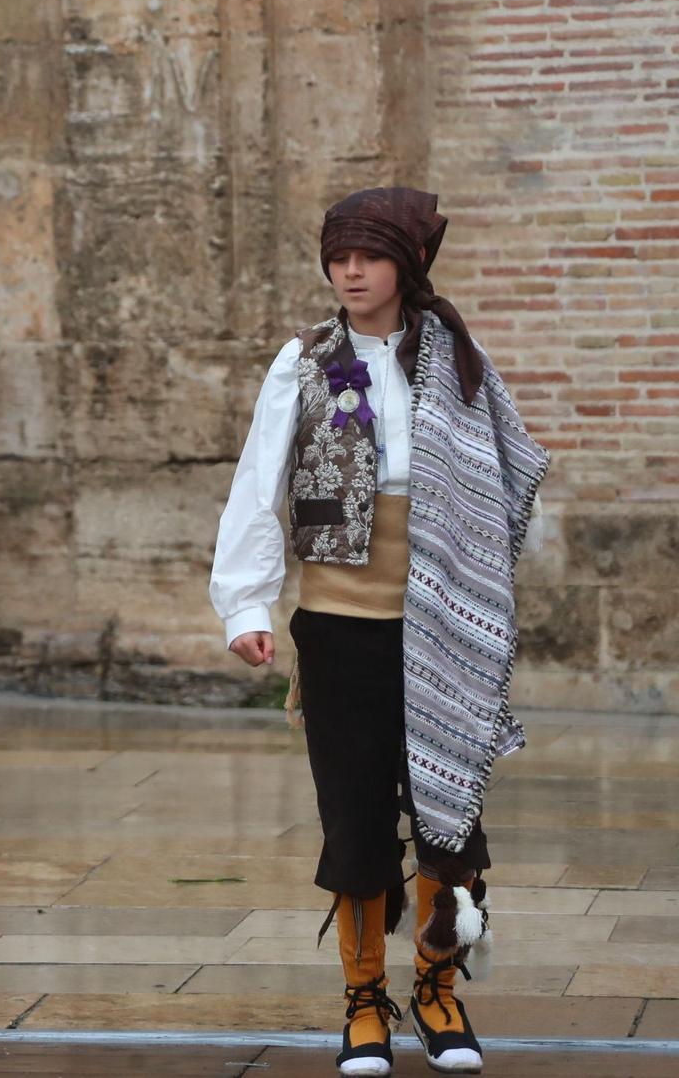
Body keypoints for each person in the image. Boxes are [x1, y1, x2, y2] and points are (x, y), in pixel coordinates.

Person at [210, 188, 548, 1078]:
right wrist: (247, 605)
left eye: (369, 256)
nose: (350, 272)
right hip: (339, 628)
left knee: (451, 817)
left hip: (441, 625)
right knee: (354, 813)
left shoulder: (463, 363)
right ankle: (364, 998)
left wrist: (485, 585)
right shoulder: (302, 362)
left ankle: (438, 986)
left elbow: (503, 477)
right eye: (338, 256)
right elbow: (259, 486)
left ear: (406, 265)